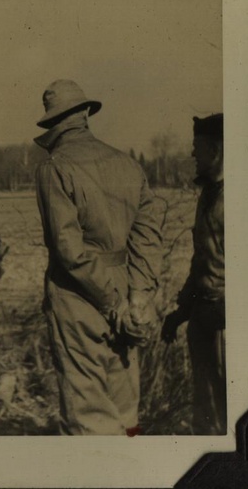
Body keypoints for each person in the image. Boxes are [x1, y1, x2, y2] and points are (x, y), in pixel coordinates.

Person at [33, 79, 163, 435]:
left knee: (86, 410)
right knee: (125, 406)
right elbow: (148, 237)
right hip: (125, 288)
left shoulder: (54, 167)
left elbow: (69, 250)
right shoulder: (127, 164)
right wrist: (137, 299)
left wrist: (112, 303)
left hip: (80, 297)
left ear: (51, 122)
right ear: (86, 113)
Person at [161, 114, 226, 435]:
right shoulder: (208, 195)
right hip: (204, 318)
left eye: (197, 148)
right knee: (207, 410)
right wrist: (181, 312)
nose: (192, 155)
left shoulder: (237, 200)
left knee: (234, 411)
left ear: (216, 149)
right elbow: (202, 261)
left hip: (225, 322)